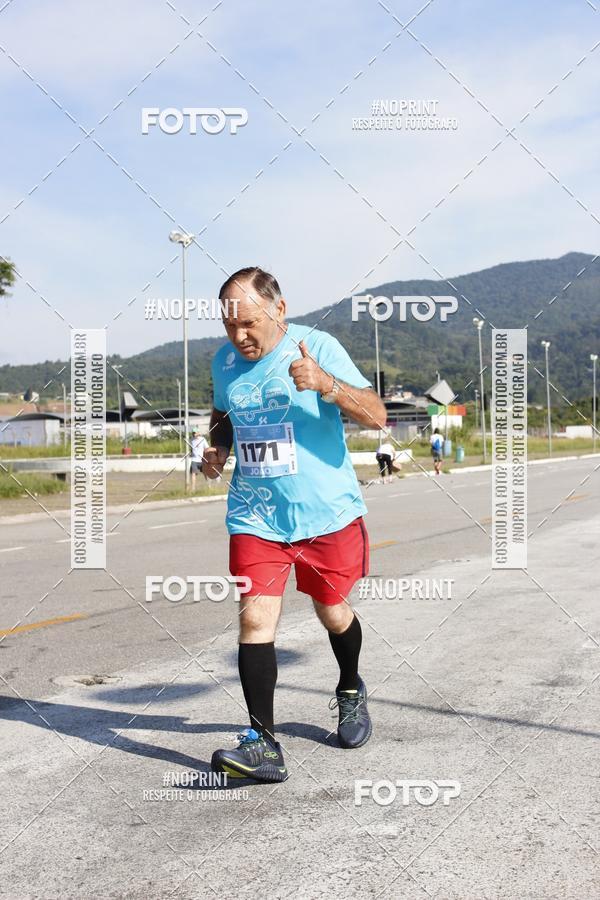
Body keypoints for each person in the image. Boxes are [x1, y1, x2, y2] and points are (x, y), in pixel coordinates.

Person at [203, 266, 387, 783]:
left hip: (325, 514)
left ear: (279, 311)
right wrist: (216, 446)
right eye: (229, 325)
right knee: (255, 621)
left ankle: (350, 686)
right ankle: (263, 744)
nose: (239, 336)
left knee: (332, 613)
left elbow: (376, 416)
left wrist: (328, 385)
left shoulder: (317, 346)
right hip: (255, 516)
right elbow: (221, 412)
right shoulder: (222, 361)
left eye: (249, 324)